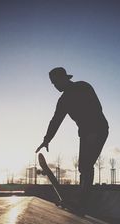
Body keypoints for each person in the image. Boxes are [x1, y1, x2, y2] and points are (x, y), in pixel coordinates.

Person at [36, 67, 109, 212]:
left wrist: (93, 131)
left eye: (56, 83)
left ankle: (82, 202)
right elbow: (55, 120)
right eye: (53, 84)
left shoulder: (83, 87)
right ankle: (80, 199)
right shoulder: (63, 101)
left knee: (86, 165)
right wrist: (47, 139)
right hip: (85, 132)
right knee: (83, 165)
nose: (55, 86)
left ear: (64, 78)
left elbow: (96, 108)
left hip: (98, 129)